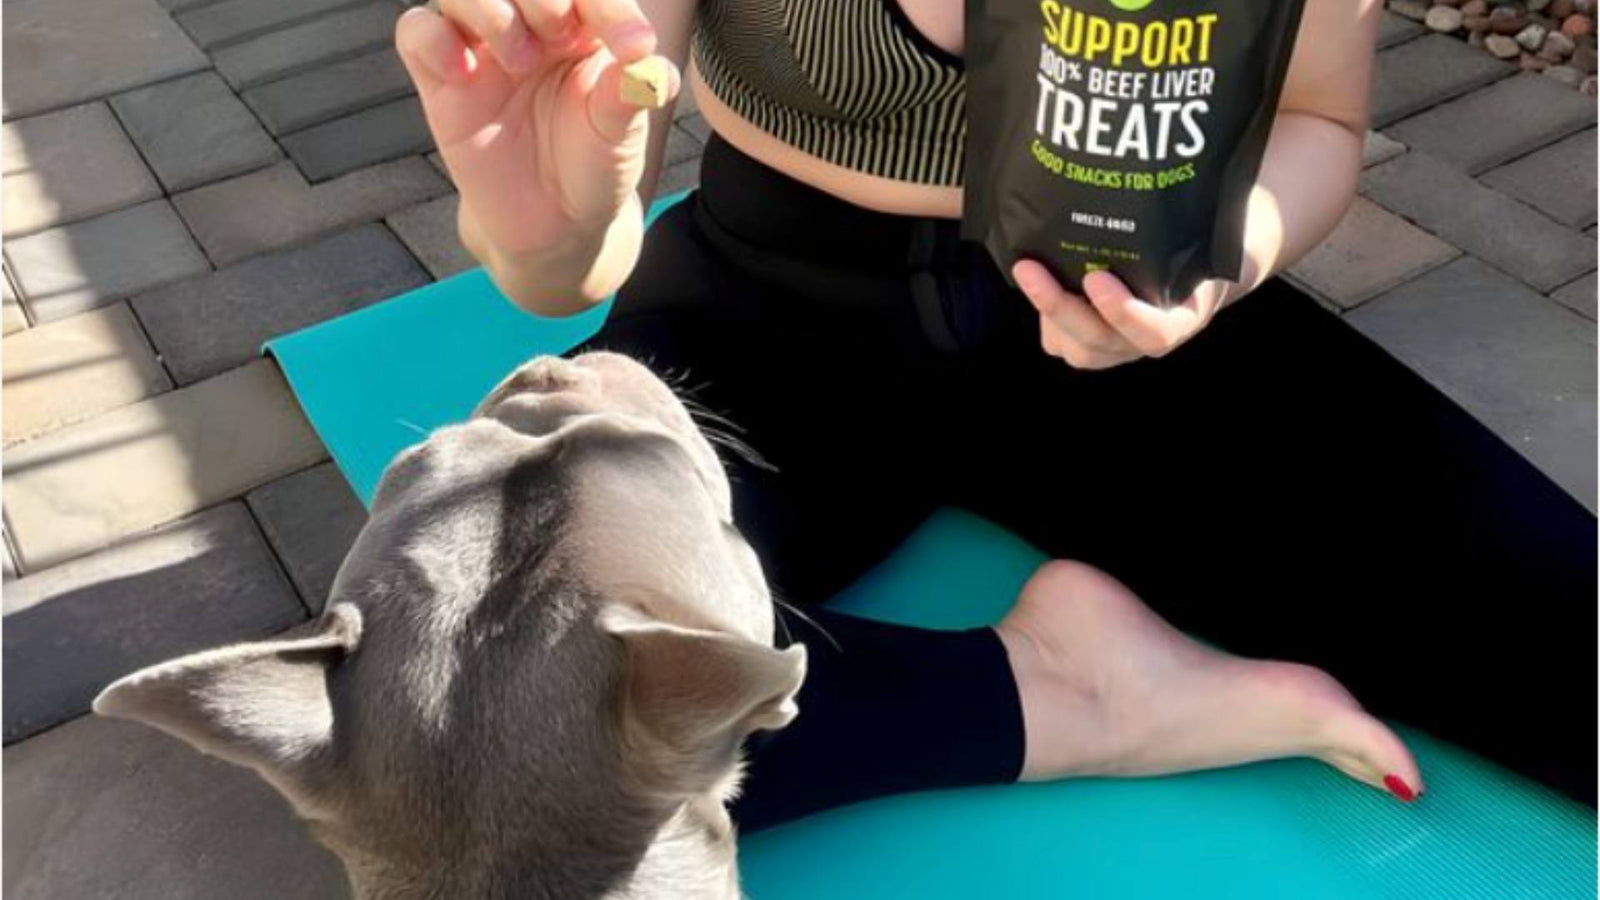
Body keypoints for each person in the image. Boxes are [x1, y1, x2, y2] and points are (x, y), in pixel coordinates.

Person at [395, 0, 1597, 830]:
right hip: (755, 332)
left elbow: (1316, 119)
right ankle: (1064, 693)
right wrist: (544, 236)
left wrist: (1223, 261)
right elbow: (574, 207)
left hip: (1137, 330)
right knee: (453, 714)